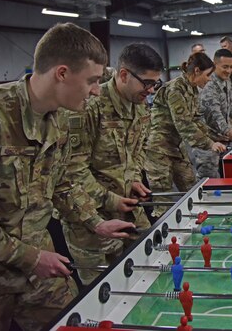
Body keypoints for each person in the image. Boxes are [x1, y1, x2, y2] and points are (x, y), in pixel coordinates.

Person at [0, 23, 134, 330]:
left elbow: (61, 183)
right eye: (92, 81)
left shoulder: (59, 119)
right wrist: (30, 257)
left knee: (75, 321)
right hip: (4, 271)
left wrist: (95, 221)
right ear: (62, 73)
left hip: (39, 268)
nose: (97, 90)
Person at [62, 44, 162, 285]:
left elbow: (137, 152)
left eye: (155, 84)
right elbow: (71, 170)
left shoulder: (140, 106)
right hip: (90, 216)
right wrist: (109, 199)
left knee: (151, 264)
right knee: (105, 290)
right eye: (147, 83)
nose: (150, 90)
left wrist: (135, 179)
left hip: (127, 205)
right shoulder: (89, 107)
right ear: (124, 75)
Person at [145, 53, 226, 217]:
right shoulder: (175, 89)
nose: (209, 79)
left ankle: (197, 225)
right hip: (158, 149)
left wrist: (212, 138)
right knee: (163, 200)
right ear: (197, 71)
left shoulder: (192, 89)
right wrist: (209, 144)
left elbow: (196, 119)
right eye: (208, 75)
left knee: (191, 189)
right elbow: (184, 124)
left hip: (176, 147)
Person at [193, 49, 232, 179]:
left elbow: (229, 103)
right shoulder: (209, 84)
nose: (228, 71)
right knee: (208, 180)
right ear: (214, 65)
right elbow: (214, 112)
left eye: (231, 67)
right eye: (225, 67)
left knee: (223, 175)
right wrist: (228, 131)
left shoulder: (226, 80)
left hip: (221, 139)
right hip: (207, 140)